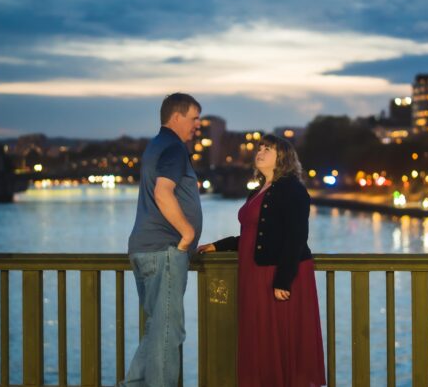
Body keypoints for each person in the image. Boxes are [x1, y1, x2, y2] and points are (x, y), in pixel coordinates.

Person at [198, 134, 326, 387]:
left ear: (283, 158)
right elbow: (252, 234)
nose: (261, 152)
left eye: (268, 149)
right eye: (260, 147)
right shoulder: (259, 191)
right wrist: (217, 245)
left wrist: (283, 281)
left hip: (277, 275)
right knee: (260, 338)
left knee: (278, 338)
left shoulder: (293, 190)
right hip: (255, 274)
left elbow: (297, 237)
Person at [123, 93, 203, 387]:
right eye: (194, 118)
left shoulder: (155, 145)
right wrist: (188, 234)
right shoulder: (174, 148)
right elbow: (162, 192)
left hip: (145, 249)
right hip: (164, 251)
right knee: (169, 333)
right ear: (177, 117)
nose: (198, 125)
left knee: (156, 329)